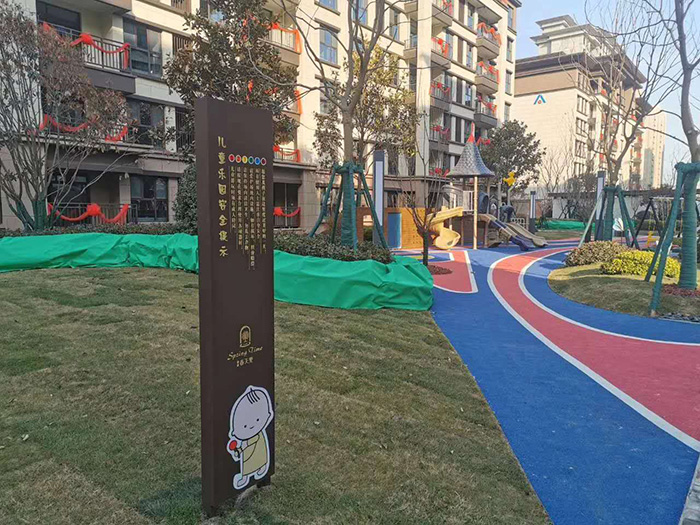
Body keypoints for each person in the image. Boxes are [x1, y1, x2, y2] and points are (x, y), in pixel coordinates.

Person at [227, 386, 274, 490]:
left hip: (255, 450)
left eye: (257, 420)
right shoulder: (248, 436)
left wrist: (239, 450)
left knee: (259, 458)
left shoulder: (255, 436)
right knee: (247, 464)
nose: (252, 426)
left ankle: (260, 470)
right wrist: (238, 450)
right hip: (248, 454)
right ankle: (247, 476)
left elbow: (247, 445)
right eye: (245, 426)